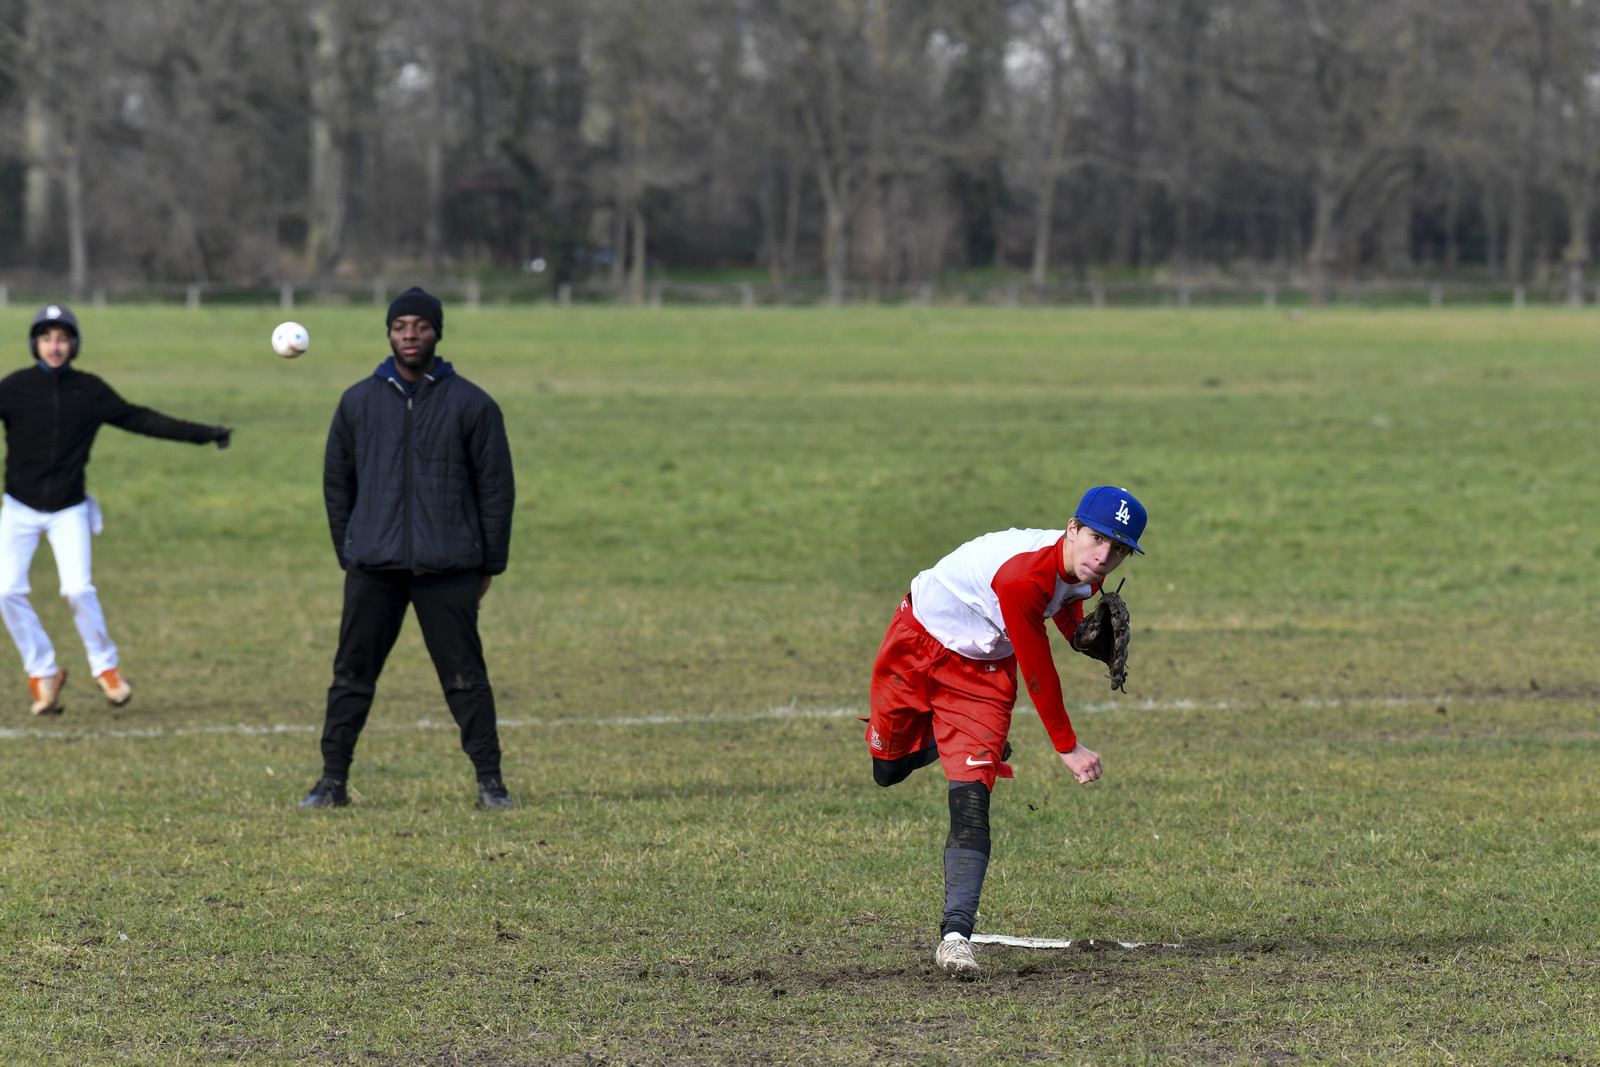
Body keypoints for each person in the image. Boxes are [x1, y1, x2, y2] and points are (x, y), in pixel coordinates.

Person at [865, 486, 1148, 976]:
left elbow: (1062, 605)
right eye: (1098, 539)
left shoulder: (1085, 574)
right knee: (887, 771)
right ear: (1072, 528)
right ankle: (950, 738)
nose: (1105, 557)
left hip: (983, 674)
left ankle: (955, 939)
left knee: (972, 801)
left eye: (1119, 548)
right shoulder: (1024, 576)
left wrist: (1078, 638)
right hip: (916, 641)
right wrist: (1068, 746)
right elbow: (1039, 671)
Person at [301, 287, 516, 811]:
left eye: (421, 325)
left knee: (466, 679)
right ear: (389, 333)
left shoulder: (473, 404)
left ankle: (490, 783)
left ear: (437, 333)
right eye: (401, 326)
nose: (410, 335)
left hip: (448, 567)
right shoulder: (357, 402)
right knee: (351, 675)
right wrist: (350, 551)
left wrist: (489, 564)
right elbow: (337, 484)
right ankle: (331, 783)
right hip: (374, 567)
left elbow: (496, 489)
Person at [0, 305, 232, 715]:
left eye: (63, 338)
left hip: (68, 509)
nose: (55, 346)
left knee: (77, 589)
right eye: (47, 338)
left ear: (75, 344)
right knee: (5, 591)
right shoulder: (14, 388)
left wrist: (205, 435)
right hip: (18, 507)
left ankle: (106, 670)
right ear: (35, 343)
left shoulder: (89, 392)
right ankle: (42, 673)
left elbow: (142, 419)